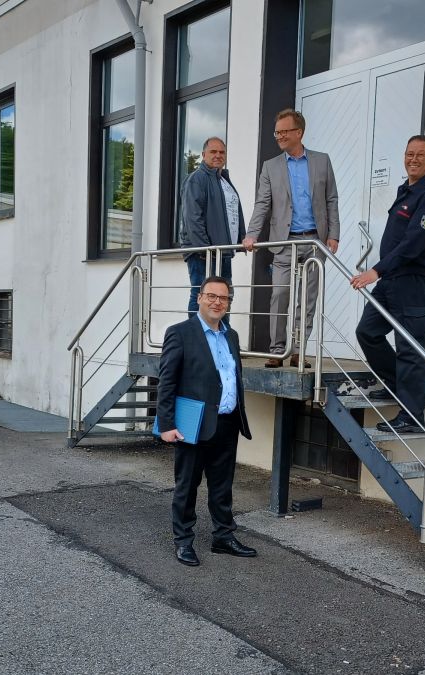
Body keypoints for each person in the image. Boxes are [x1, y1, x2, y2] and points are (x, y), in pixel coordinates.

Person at [350, 135, 425, 434]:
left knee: (409, 346)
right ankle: (395, 384)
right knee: (368, 331)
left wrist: (376, 270)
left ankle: (412, 416)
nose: (413, 159)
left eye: (420, 155)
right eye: (409, 154)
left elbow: (413, 244)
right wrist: (383, 272)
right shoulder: (407, 190)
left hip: (411, 281)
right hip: (392, 278)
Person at [157, 276, 256, 567]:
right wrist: (166, 424)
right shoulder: (180, 333)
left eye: (223, 298)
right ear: (199, 298)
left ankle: (223, 537)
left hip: (227, 422)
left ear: (228, 303)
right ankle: (183, 541)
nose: (217, 302)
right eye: (211, 296)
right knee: (187, 486)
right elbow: (167, 381)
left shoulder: (231, 335)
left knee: (222, 486)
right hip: (193, 424)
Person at [242, 109, 340, 369]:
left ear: (299, 132)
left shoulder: (322, 161)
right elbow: (262, 203)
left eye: (284, 132)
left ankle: (299, 350)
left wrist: (334, 235)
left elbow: (331, 199)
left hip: (315, 240)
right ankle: (277, 350)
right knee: (280, 294)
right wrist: (252, 234)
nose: (279, 137)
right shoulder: (270, 166)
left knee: (307, 299)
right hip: (283, 241)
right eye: (277, 132)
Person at [180, 136, 245, 316]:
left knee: (225, 296)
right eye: (213, 151)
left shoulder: (223, 180)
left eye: (222, 152)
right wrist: (205, 249)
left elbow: (231, 213)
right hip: (204, 253)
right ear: (203, 155)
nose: (218, 155)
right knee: (202, 295)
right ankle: (196, 333)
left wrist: (240, 240)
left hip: (222, 251)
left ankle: (221, 334)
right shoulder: (197, 179)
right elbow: (192, 217)